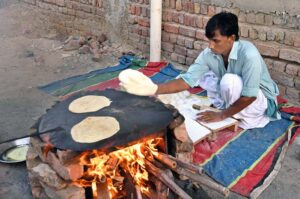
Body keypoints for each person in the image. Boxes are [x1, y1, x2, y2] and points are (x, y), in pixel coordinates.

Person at [119, 12, 280, 129]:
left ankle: (242, 116)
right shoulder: (210, 54)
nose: (210, 45)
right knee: (208, 79)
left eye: (215, 41)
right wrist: (153, 88)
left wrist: (222, 115)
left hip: (259, 100)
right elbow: (187, 80)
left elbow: (250, 96)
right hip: (237, 94)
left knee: (228, 81)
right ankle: (232, 110)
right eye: (209, 40)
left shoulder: (249, 54)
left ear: (231, 38)